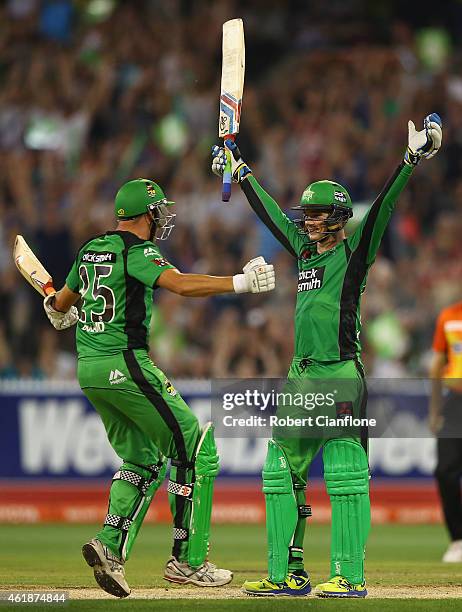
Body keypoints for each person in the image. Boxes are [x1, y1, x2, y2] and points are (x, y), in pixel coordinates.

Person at [212, 114, 442, 597]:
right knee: (279, 473)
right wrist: (241, 167)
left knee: (344, 475)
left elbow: (382, 209)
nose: (308, 222)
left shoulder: (354, 254)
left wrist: (409, 159)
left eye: (316, 215)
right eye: (308, 216)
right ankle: (286, 573)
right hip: (301, 375)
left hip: (340, 373)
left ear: (337, 218)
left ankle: (350, 577)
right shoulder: (305, 252)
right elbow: (274, 215)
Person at [41, 178, 276, 597]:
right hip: (126, 364)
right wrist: (238, 283)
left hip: (90, 370)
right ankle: (187, 561)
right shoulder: (138, 250)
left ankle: (109, 547)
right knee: (193, 443)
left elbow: (61, 303)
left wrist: (57, 310)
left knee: (144, 460)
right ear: (147, 214)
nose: (161, 218)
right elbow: (181, 285)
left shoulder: (90, 249)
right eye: (158, 211)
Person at [429, 300, 462, 562]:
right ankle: (458, 540)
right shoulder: (448, 315)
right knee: (445, 470)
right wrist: (434, 411)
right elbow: (437, 365)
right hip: (455, 403)